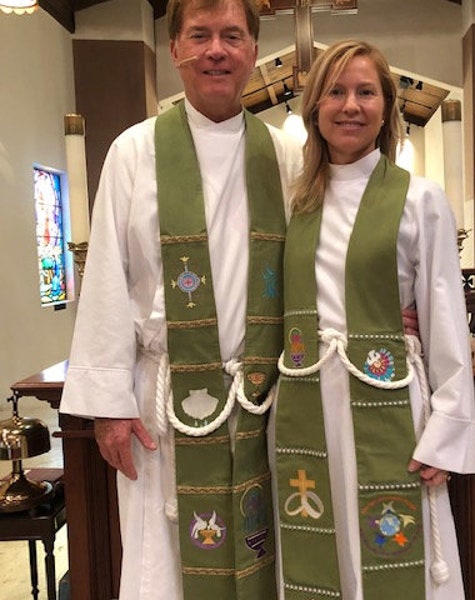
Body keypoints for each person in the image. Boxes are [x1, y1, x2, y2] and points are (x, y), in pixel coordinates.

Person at [60, 1, 302, 599]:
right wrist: (110, 405)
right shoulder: (133, 152)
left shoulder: (284, 156)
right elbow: (107, 280)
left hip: (262, 398)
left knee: (261, 542)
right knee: (160, 559)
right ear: (175, 50)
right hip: (162, 406)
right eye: (199, 35)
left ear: (251, 51)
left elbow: (317, 264)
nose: (215, 50)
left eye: (232, 36)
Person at [270, 40, 475, 600]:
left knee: (393, 553)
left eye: (366, 92)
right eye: (335, 91)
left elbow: (445, 320)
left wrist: (447, 432)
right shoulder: (295, 203)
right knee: (323, 551)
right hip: (307, 405)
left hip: (387, 400)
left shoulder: (419, 200)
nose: (350, 105)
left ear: (388, 107)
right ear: (314, 107)